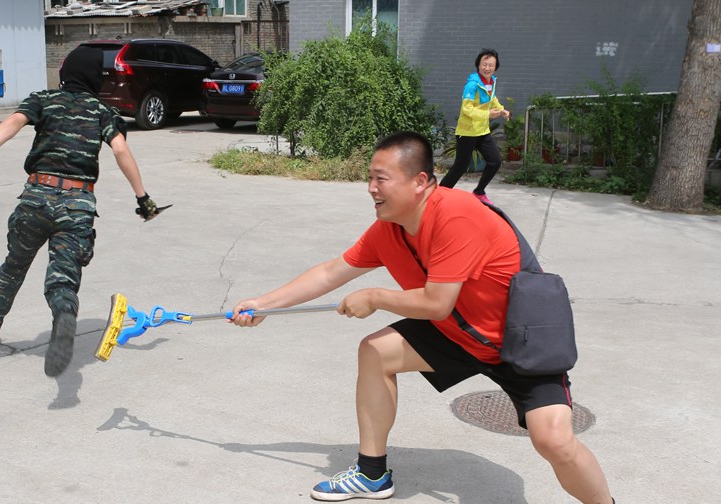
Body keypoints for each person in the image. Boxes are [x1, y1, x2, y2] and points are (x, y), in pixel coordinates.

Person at [230, 131, 614, 503]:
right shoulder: (389, 229)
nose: (371, 188)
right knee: (376, 352)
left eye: (381, 178)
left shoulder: (456, 215)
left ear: (420, 181)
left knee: (555, 442)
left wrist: (374, 297)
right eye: (369, 178)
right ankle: (372, 474)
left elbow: (436, 303)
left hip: (520, 340)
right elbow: (332, 272)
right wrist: (265, 304)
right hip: (458, 335)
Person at [0, 46, 165, 377]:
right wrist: (143, 198)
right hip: (77, 205)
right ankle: (63, 315)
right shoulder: (102, 112)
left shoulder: (44, 100)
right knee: (63, 276)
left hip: (36, 198)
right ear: (95, 78)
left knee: (14, 266)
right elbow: (121, 150)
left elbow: (13, 121)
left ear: (65, 73)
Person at [439, 48, 510, 205]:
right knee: (460, 167)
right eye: (484, 64)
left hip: (482, 131)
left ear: (495, 67)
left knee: (495, 161)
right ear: (478, 65)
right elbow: (467, 109)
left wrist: (501, 110)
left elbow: (492, 99)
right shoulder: (472, 85)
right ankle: (439, 196)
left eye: (491, 65)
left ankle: (479, 192)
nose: (487, 68)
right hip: (467, 132)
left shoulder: (491, 82)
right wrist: (488, 114)